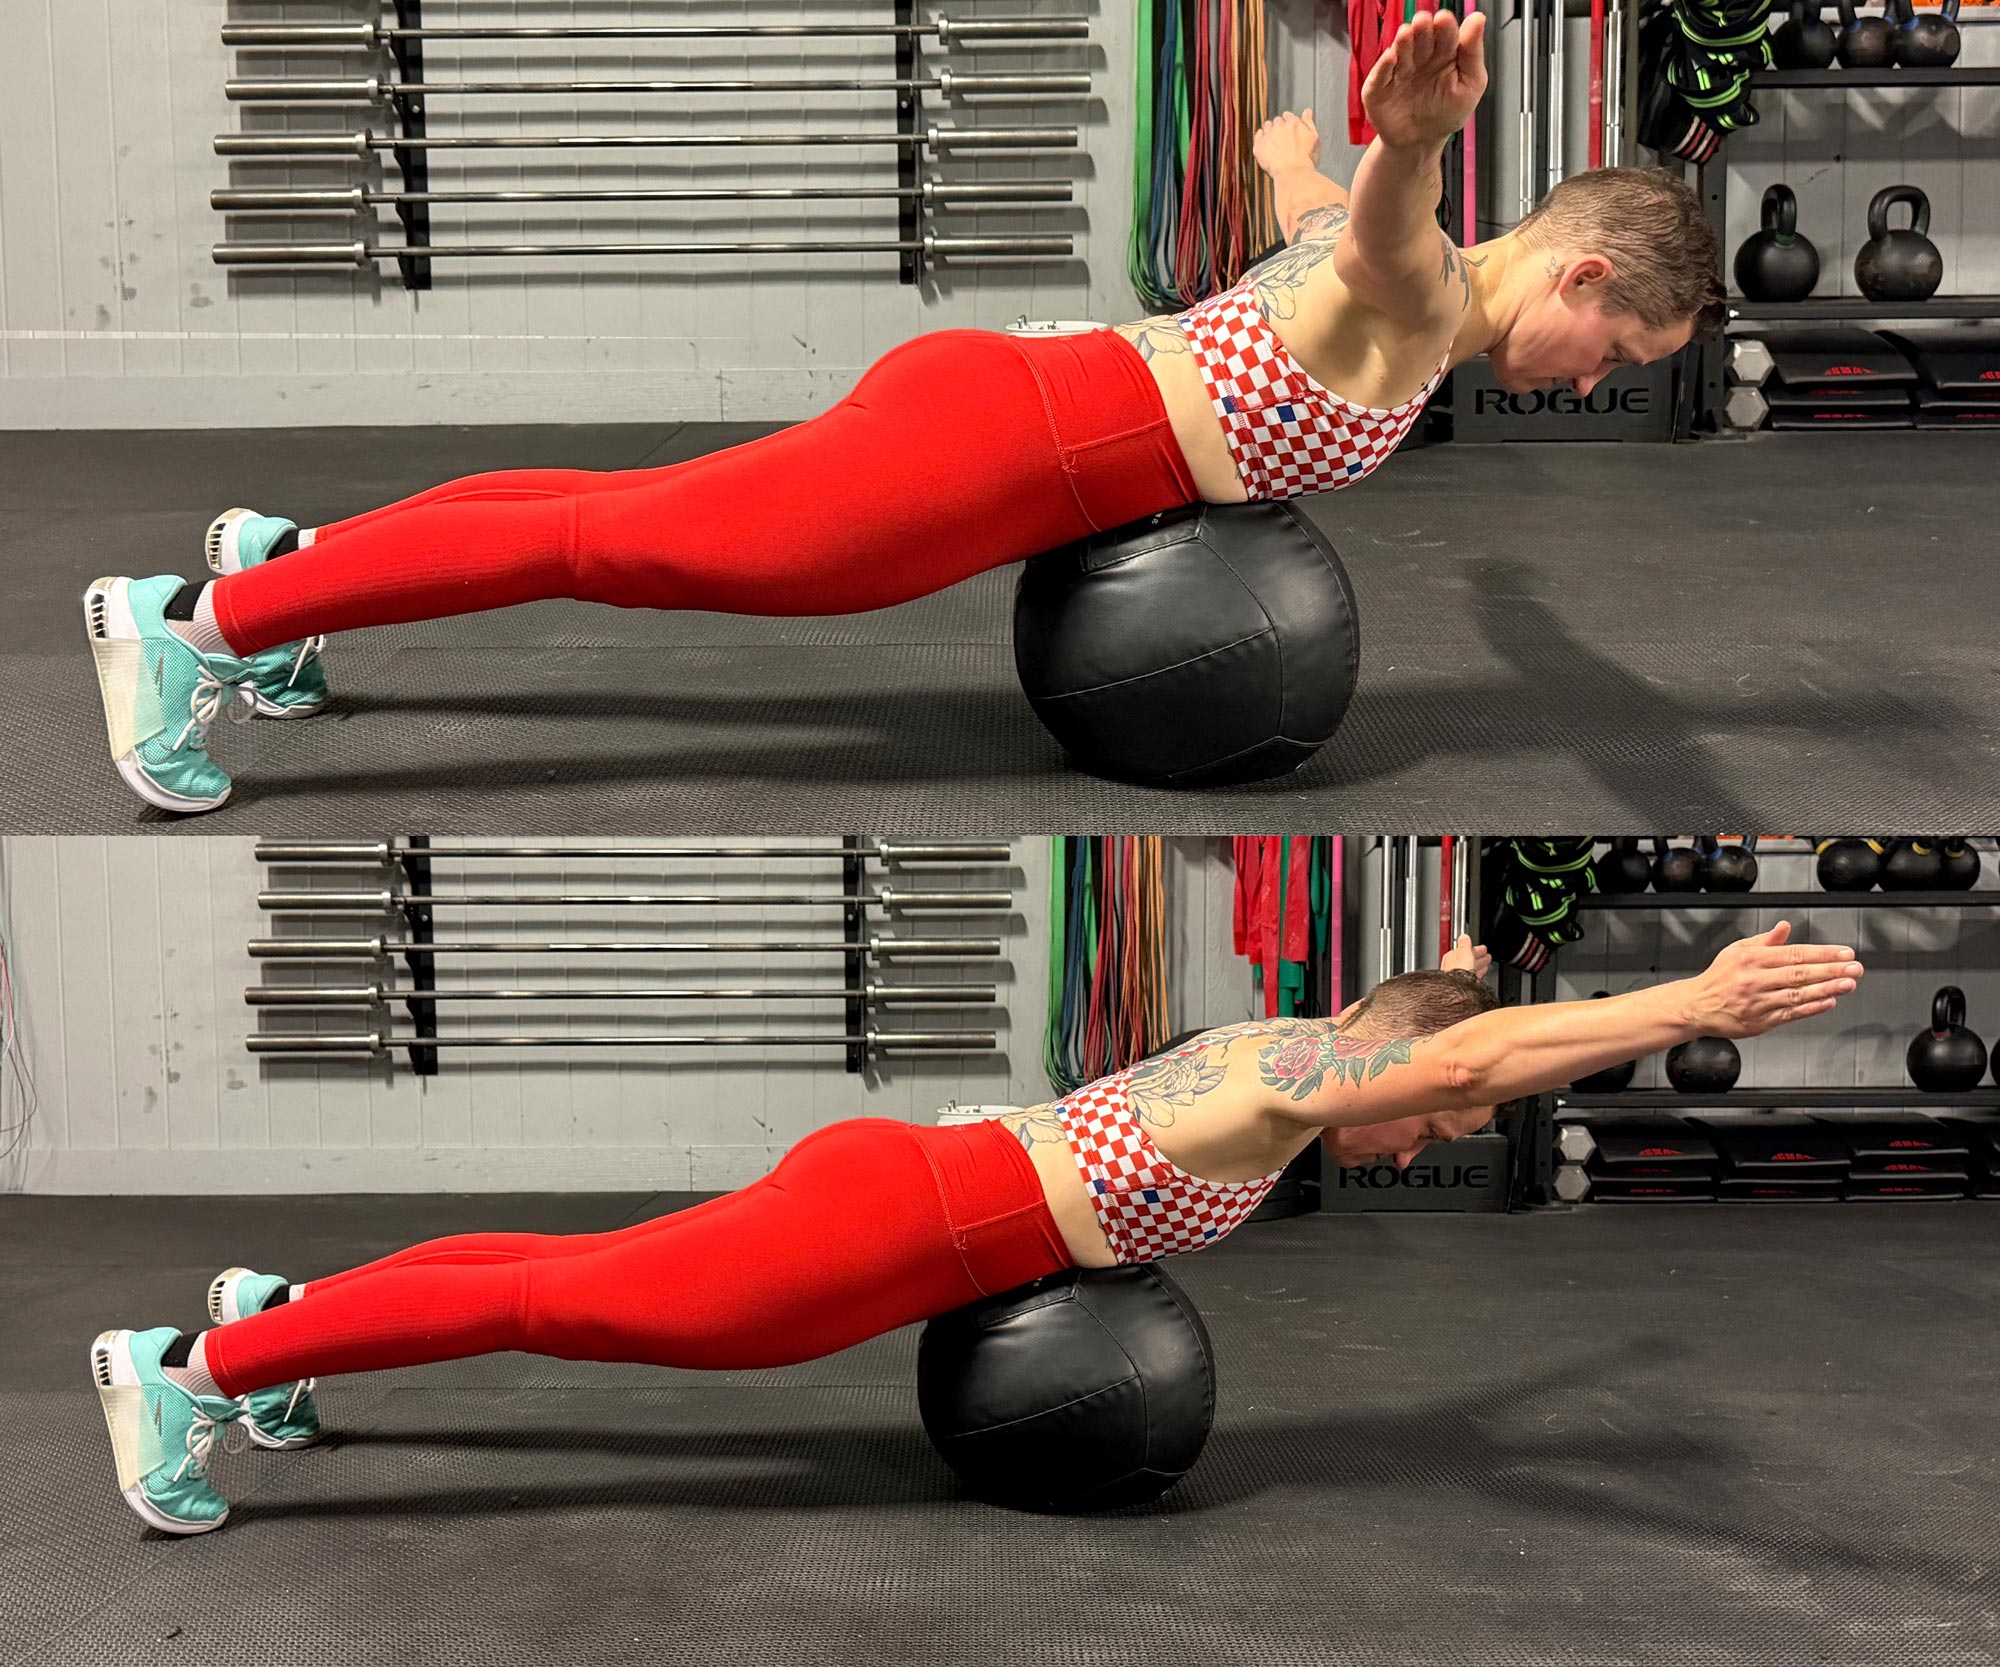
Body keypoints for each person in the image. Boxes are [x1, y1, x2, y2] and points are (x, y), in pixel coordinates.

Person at [81, 12, 1723, 813]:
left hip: (1016, 395)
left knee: (615, 510)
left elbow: (1303, 200)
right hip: (1008, 451)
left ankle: (295, 567)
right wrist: (1406, 139)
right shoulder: (1426, 287)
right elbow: (1374, 229)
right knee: (617, 542)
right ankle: (205, 627)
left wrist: (1319, 149)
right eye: (1620, 352)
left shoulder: (1410, 294)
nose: (1595, 387)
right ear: (1580, 274)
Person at [90, 924, 1858, 1534]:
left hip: (910, 1188)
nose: (1439, 1139)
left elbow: (1451, 1029)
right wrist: (1680, 997)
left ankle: (283, 1310)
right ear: (1394, 1057)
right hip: (901, 1235)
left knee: (569, 1277)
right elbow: (1462, 1043)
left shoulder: (1278, 1058)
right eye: (1449, 1114)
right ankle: (199, 1368)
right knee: (570, 1304)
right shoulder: (1313, 1070)